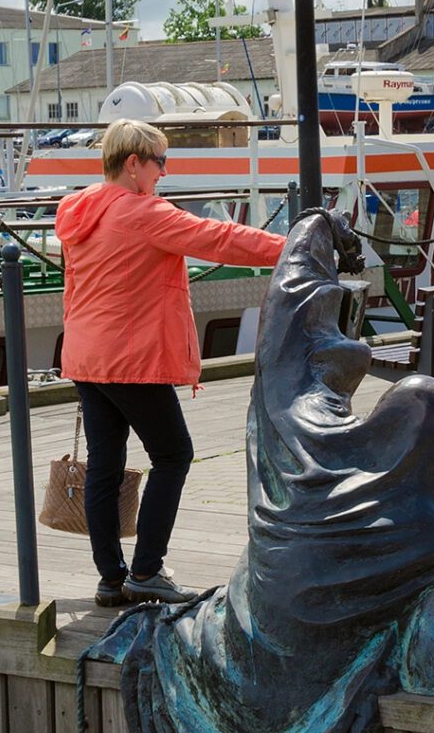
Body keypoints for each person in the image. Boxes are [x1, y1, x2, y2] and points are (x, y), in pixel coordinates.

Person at [55, 119, 286, 607]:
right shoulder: (142, 212)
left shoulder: (80, 209)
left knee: (104, 467)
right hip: (128, 358)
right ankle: (146, 571)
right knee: (174, 455)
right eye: (160, 162)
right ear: (133, 163)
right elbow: (218, 238)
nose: (164, 172)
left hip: (85, 355)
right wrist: (293, 248)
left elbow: (73, 289)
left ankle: (111, 579)